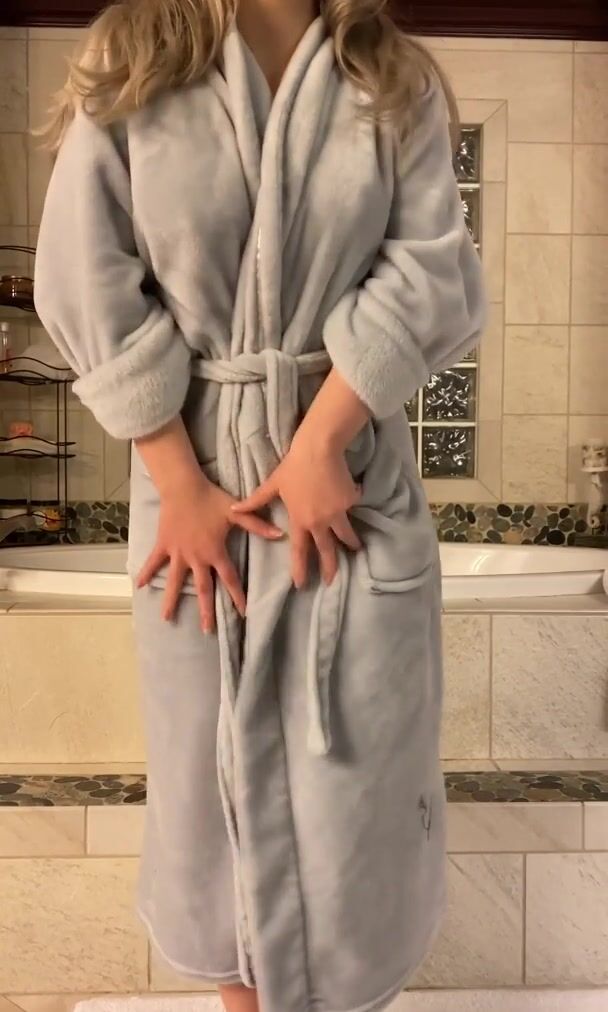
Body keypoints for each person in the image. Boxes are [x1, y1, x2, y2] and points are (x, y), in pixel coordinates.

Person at [34, 2, 486, 1011]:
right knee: (213, 803)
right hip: (192, 496)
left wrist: (321, 441)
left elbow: (430, 269)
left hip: (348, 493)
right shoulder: (138, 51)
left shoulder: (390, 75)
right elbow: (84, 271)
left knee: (357, 806)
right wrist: (178, 481)